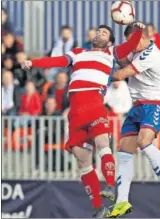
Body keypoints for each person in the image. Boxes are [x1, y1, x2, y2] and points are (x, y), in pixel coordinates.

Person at [21, 22, 145, 217]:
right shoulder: (78, 52)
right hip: (75, 112)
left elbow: (129, 47)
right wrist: (33, 62)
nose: (99, 33)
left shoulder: (110, 53)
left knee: (103, 143)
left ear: (110, 41)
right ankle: (98, 207)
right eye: (98, 31)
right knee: (82, 160)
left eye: (104, 32)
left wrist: (138, 30)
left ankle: (110, 186)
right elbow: (58, 61)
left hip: (94, 104)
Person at [108, 25, 160, 218]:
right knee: (124, 152)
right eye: (129, 42)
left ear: (145, 37)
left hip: (155, 105)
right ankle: (122, 201)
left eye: (134, 41)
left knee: (143, 141)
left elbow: (120, 74)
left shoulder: (151, 54)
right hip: (137, 107)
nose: (132, 46)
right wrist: (107, 53)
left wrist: (96, 73)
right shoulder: (136, 51)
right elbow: (121, 61)